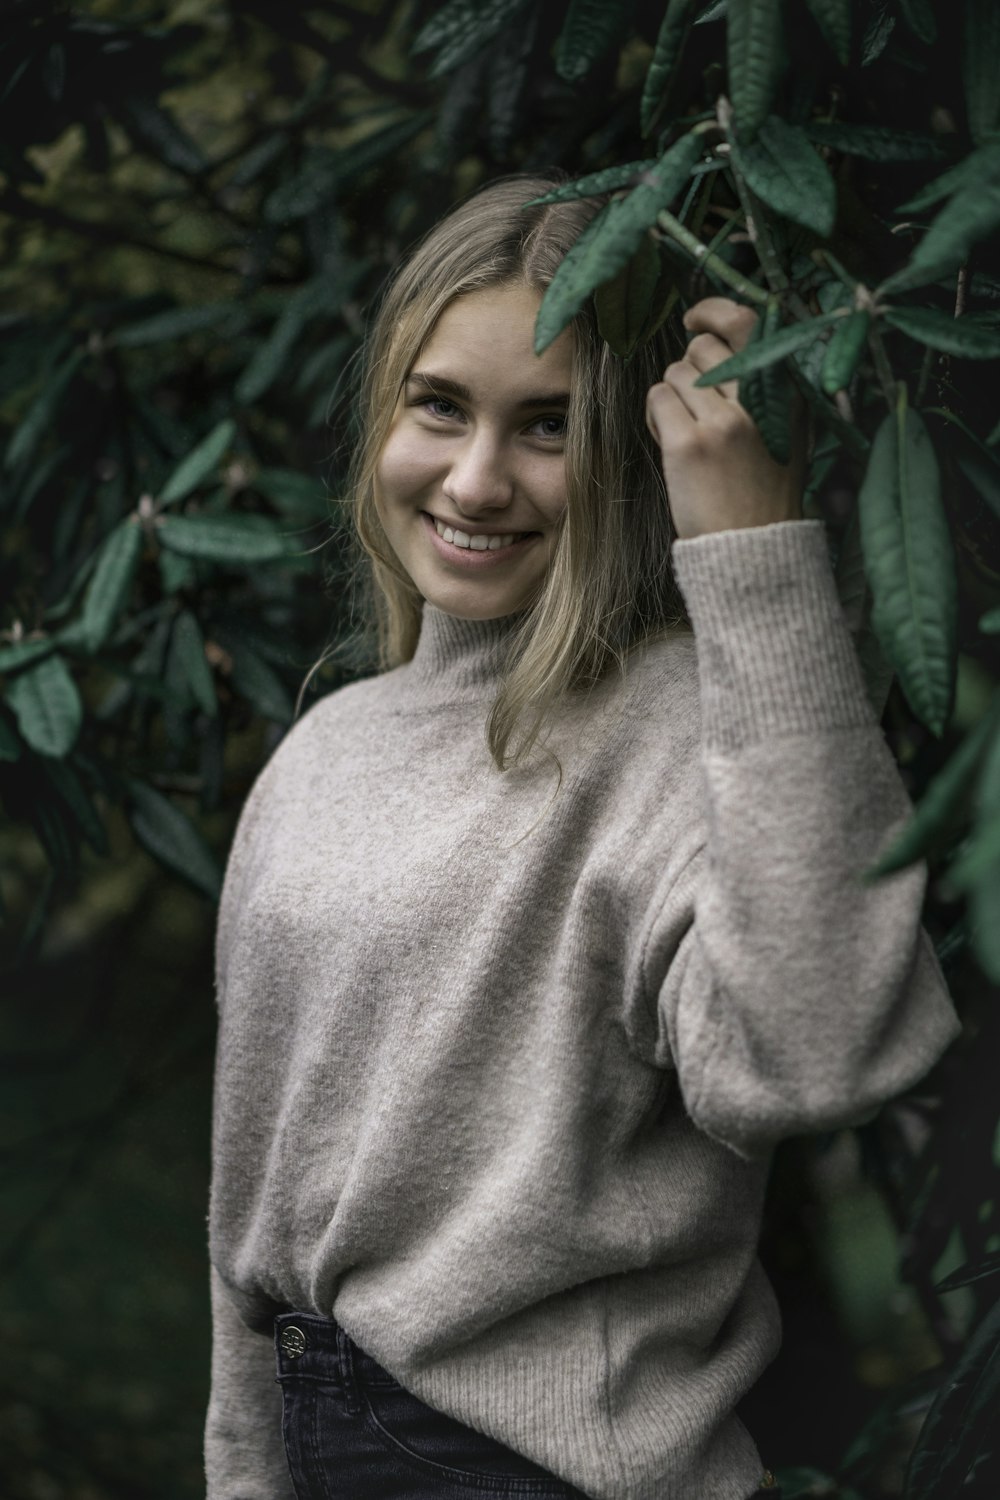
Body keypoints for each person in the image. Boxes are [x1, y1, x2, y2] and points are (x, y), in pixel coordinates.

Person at [205, 174, 960, 1500]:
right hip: (323, 1439)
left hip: (545, 1465)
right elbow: (248, 1201)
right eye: (441, 406)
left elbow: (815, 1052)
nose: (478, 478)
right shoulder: (322, 749)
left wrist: (760, 552)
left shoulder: (676, 719)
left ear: (627, 449)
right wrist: (243, 1470)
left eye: (547, 426)